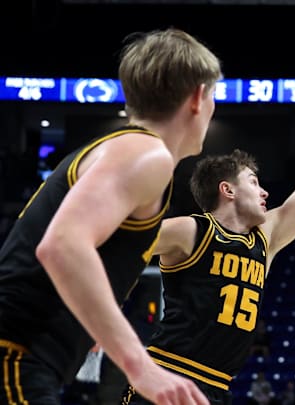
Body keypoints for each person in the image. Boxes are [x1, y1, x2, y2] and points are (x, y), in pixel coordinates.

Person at [120, 66, 295, 404]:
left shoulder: (266, 237)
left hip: (217, 388)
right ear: (228, 190)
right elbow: (115, 245)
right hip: (167, 374)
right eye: (253, 182)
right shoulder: (192, 230)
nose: (265, 192)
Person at [0, 28, 221, 405]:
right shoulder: (146, 153)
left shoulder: (123, 151)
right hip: (17, 354)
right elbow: (62, 247)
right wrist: (140, 366)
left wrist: (92, 320)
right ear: (199, 97)